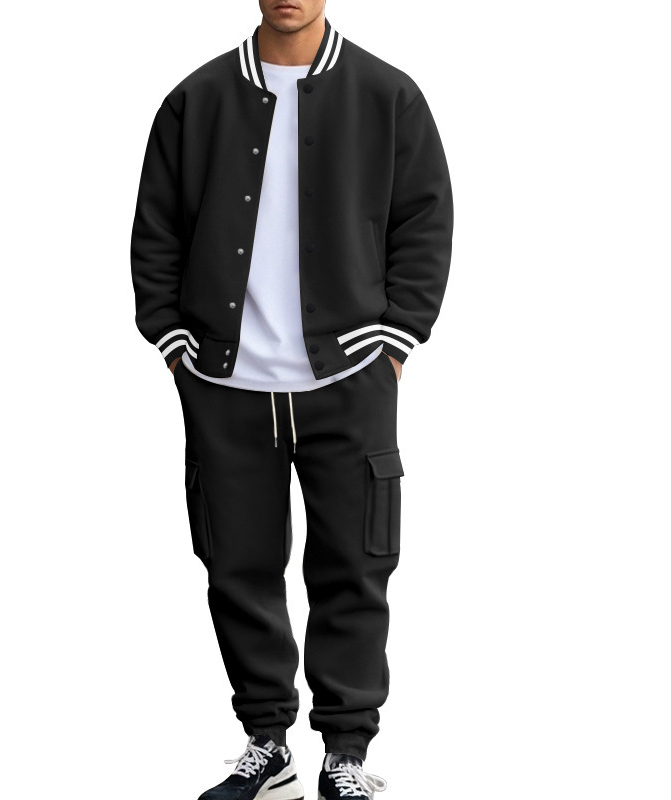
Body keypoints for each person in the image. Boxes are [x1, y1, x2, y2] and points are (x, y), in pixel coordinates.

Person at [130, 2, 453, 797]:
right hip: (225, 384)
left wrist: (396, 341)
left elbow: (424, 219)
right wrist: (173, 343)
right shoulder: (195, 100)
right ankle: (267, 743)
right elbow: (156, 229)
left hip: (349, 378)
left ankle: (346, 753)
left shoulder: (388, 95)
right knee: (235, 566)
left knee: (356, 565)